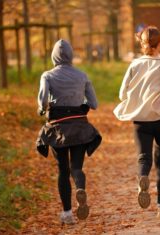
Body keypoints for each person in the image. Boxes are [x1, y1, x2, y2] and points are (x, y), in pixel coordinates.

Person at [113, 26, 160, 217]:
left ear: (142, 44)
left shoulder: (134, 65)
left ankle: (143, 177)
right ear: (159, 43)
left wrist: (137, 95)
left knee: (144, 158)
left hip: (141, 121)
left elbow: (121, 94)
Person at [36, 39, 101, 225]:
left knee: (63, 170)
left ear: (53, 56)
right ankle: (80, 188)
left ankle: (67, 213)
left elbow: (42, 103)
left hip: (58, 129)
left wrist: (43, 109)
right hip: (80, 127)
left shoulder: (47, 76)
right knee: (77, 168)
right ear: (71, 55)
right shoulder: (82, 76)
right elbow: (94, 104)